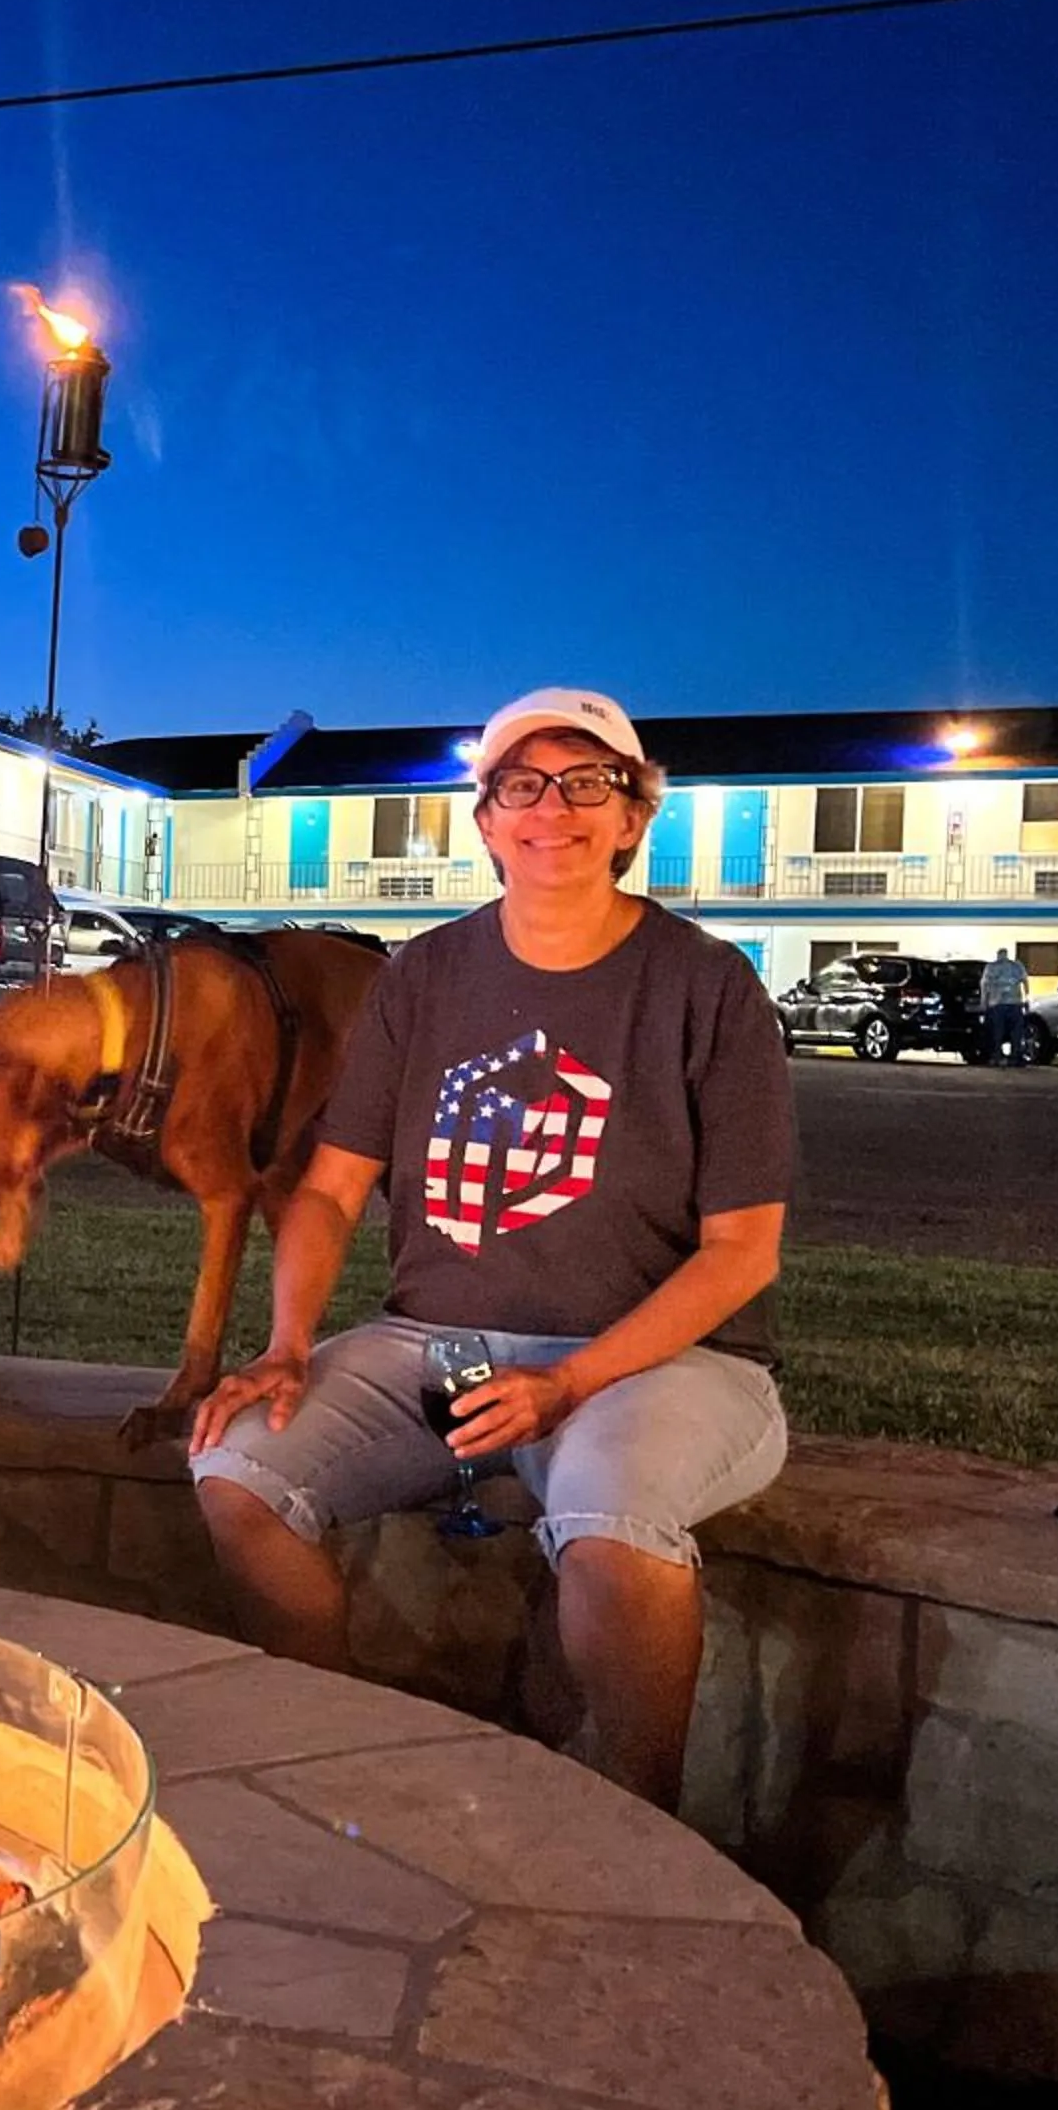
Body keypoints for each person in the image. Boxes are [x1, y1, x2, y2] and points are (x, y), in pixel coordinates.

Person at [184, 688, 793, 1809]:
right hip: (440, 1347)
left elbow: (742, 1252)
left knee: (612, 1526)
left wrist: (569, 1380)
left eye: (585, 784)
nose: (550, 808)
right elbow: (327, 1190)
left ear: (630, 816)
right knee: (240, 1472)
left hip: (658, 1361)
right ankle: (343, 1771)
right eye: (522, 784)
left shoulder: (707, 986)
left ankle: (644, 1825)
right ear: (485, 819)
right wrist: (286, 1341)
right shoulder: (423, 978)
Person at [980, 947, 1030, 1067]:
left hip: (997, 1004)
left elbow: (984, 985)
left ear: (998, 955)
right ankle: (1015, 1057)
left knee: (997, 1032)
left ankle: (997, 1056)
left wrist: (984, 1003)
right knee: (1015, 1033)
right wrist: (1026, 999)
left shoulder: (991, 967)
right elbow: (1025, 982)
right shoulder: (1017, 966)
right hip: (1015, 1003)